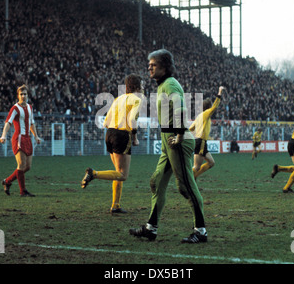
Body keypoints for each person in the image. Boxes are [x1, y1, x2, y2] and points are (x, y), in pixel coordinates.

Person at [129, 49, 207, 243]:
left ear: (165, 66)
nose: (149, 67)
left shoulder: (170, 84)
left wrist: (180, 134)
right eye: (149, 64)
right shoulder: (164, 85)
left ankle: (201, 231)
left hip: (176, 140)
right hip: (169, 140)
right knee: (157, 182)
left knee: (186, 186)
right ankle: (151, 228)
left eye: (153, 64)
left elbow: (180, 107)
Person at [81, 74, 143, 214]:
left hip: (109, 134)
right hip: (122, 135)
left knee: (116, 172)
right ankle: (93, 173)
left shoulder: (118, 99)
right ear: (137, 87)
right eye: (142, 85)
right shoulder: (137, 99)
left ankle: (115, 205)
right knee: (122, 175)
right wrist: (135, 137)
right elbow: (132, 120)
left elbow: (106, 122)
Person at [0, 85, 41, 197]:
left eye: (25, 94)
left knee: (27, 166)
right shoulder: (15, 108)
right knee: (21, 164)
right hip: (18, 138)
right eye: (21, 94)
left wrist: (36, 136)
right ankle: (23, 191)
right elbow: (8, 122)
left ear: (28, 95)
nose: (23, 96)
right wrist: (3, 135)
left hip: (28, 138)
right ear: (18, 96)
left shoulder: (30, 107)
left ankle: (7, 181)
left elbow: (31, 123)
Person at [189, 86, 224, 179]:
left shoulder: (199, 116)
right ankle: (188, 179)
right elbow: (215, 106)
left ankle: (194, 176)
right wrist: (219, 92)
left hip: (201, 142)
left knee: (211, 163)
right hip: (201, 142)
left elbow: (191, 128)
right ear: (208, 107)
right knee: (196, 166)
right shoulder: (205, 114)